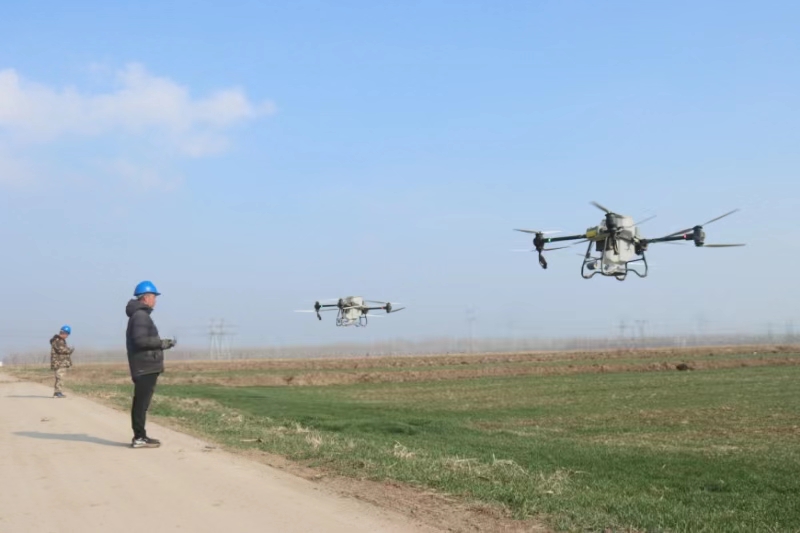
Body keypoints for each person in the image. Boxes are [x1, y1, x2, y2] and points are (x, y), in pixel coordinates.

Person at [125, 280, 176, 448]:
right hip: (144, 366)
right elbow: (140, 341)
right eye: (154, 296)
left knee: (142, 403)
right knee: (141, 404)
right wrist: (161, 343)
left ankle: (141, 436)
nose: (155, 300)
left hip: (145, 366)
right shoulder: (140, 316)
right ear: (146, 297)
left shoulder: (140, 315)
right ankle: (139, 437)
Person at [49, 325, 74, 398]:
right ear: (64, 333)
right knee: (60, 377)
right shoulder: (58, 340)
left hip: (60, 362)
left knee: (60, 377)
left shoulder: (60, 340)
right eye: (67, 334)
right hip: (59, 362)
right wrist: (70, 350)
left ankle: (58, 392)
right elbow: (61, 350)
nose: (67, 336)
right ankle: (57, 393)